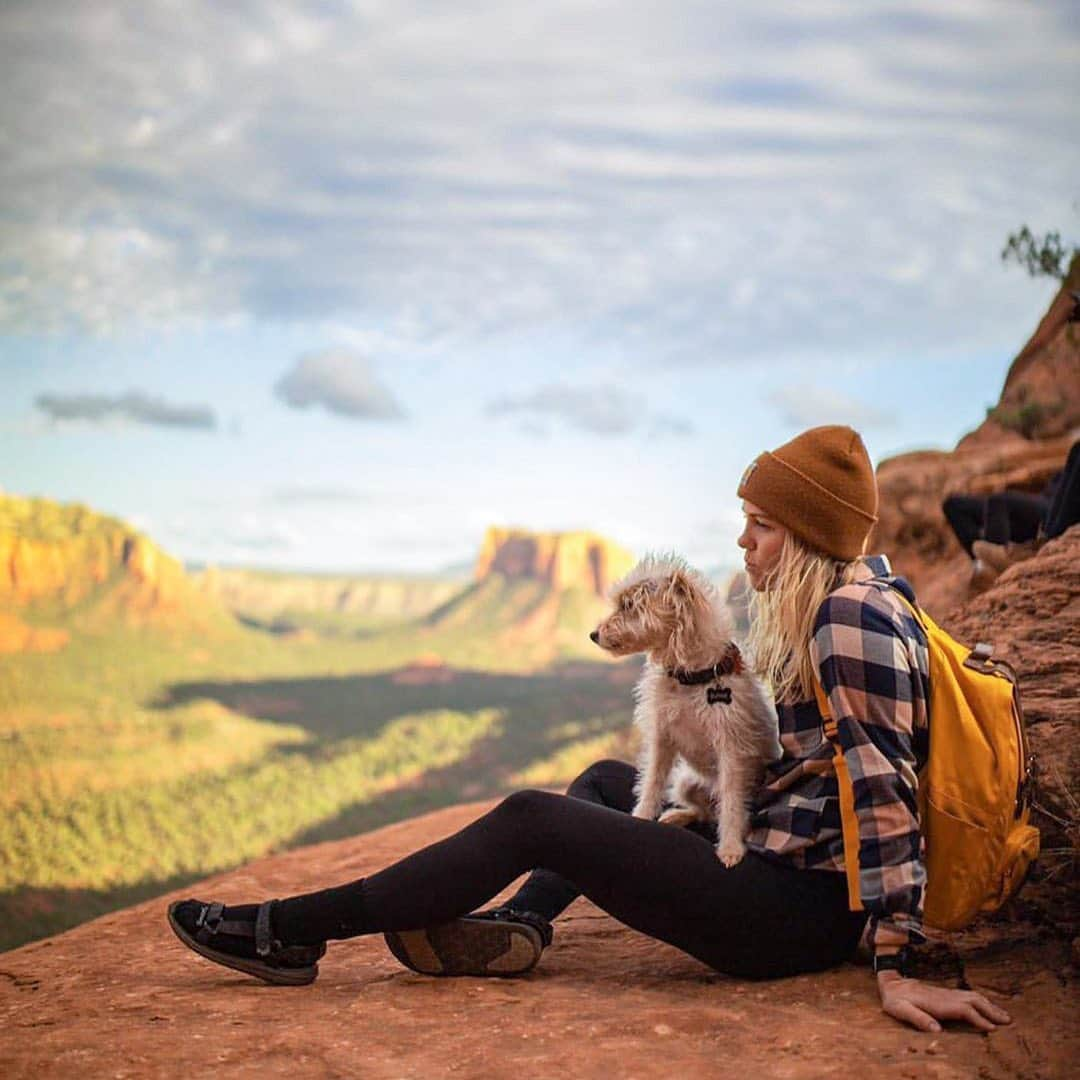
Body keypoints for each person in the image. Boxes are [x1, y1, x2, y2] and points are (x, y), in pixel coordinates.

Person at [168, 425, 1010, 1036]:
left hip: (792, 912)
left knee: (536, 816)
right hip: (775, 859)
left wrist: (895, 965)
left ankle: (289, 931)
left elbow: (884, 785)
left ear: (810, 536)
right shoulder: (866, 595)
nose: (743, 540)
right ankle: (527, 925)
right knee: (614, 782)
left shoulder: (846, 621)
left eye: (762, 526)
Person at [943, 436, 1079, 589]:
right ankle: (981, 564)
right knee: (954, 505)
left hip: (1049, 515)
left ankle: (993, 561)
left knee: (999, 501)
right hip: (1037, 508)